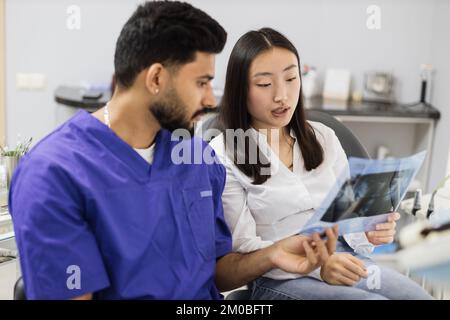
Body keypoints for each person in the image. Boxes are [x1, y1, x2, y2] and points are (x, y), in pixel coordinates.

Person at [9, 3, 336, 300]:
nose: (210, 100)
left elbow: (219, 273)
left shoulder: (197, 160)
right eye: (201, 83)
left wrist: (273, 253)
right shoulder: (53, 175)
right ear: (156, 78)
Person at [210, 27, 433, 300]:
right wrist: (319, 266)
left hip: (344, 260)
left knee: (420, 297)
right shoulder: (223, 154)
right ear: (240, 90)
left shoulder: (323, 136)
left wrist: (370, 232)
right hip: (279, 278)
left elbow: (348, 220)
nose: (282, 95)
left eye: (291, 78)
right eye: (265, 84)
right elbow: (244, 248)